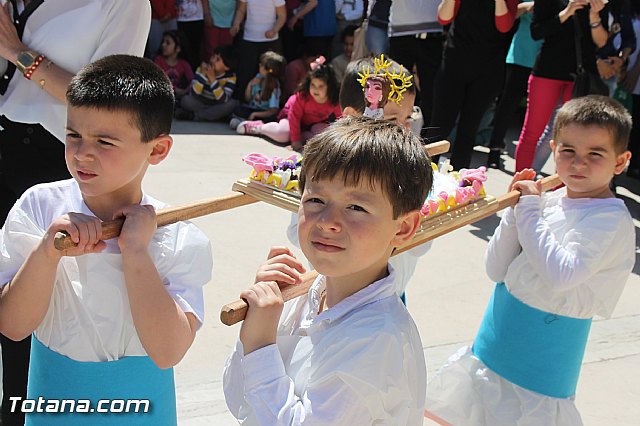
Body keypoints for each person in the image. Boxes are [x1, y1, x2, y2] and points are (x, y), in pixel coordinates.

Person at [0, 55, 212, 426]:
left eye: (105, 141)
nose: (83, 153)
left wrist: (136, 254)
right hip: (54, 400)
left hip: (142, 409)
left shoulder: (176, 235)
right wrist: (47, 253)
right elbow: (13, 326)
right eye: (74, 135)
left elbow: (168, 351)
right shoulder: (40, 208)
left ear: (157, 150)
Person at [425, 95, 635, 426]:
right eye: (568, 151)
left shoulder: (609, 219)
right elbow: (496, 269)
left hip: (541, 373)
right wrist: (514, 212)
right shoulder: (545, 203)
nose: (578, 163)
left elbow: (562, 274)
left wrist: (529, 212)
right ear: (553, 149)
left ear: (620, 162)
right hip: (492, 352)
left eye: (595, 154)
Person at [223, 115, 432, 424]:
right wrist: (257, 325)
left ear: (403, 228)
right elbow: (239, 401)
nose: (327, 221)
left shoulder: (376, 338)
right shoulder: (302, 297)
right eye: (316, 200)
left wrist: (259, 346)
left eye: (357, 207)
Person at [0, 2, 151, 424]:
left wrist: (19, 54)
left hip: (63, 157)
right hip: (4, 142)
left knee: (40, 315)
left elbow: (109, 101)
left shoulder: (125, 4)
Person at [514, 0, 608, 172]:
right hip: (547, 71)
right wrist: (568, 11)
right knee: (532, 132)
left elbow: (602, 42)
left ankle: (562, 191)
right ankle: (519, 188)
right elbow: (537, 32)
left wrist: (594, 16)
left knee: (569, 138)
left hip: (580, 76)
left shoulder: (596, 3)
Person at [427, 0, 518, 170]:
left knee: (468, 132)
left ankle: (459, 186)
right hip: (454, 64)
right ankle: (419, 178)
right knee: (438, 127)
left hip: (488, 70)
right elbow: (443, 18)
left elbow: (504, 26)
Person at [235, 57, 341, 151]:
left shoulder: (334, 100)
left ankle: (301, 136)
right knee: (283, 134)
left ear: (330, 87)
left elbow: (340, 119)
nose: (315, 89)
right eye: (313, 85)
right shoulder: (302, 96)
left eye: (321, 86)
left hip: (313, 125)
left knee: (325, 136)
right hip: (290, 119)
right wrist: (295, 141)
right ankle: (259, 128)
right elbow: (294, 116)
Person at [388, 0, 444, 134]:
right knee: (397, 90)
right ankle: (392, 136)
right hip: (400, 34)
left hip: (434, 34)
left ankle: (429, 138)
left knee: (432, 91)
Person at [230, 0, 287, 100]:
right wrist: (236, 24)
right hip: (249, 38)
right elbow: (241, 10)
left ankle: (271, 104)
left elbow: (282, 15)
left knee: (270, 74)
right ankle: (244, 102)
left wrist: (274, 30)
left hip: (270, 40)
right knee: (246, 73)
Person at [176, 45, 240, 121]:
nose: (212, 60)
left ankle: (195, 116)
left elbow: (223, 99)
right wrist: (203, 75)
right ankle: (214, 115)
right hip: (201, 101)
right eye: (213, 56)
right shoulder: (201, 69)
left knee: (232, 104)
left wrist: (212, 79)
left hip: (217, 103)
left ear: (227, 67)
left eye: (218, 60)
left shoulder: (231, 77)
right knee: (186, 100)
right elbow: (193, 93)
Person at [230, 51, 286, 129]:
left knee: (271, 118)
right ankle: (247, 123)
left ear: (267, 70)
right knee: (238, 109)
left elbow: (273, 110)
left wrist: (256, 114)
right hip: (253, 109)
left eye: (261, 65)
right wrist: (250, 85)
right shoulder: (258, 77)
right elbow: (247, 98)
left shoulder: (274, 87)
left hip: (264, 113)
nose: (259, 66)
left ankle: (250, 125)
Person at [154, 30, 195, 101]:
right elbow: (158, 80)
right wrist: (175, 89)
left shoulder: (184, 64)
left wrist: (185, 91)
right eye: (163, 42)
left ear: (178, 49)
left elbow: (193, 81)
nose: (163, 45)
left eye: (168, 43)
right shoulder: (158, 61)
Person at [176, 0, 207, 69]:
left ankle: (195, 72)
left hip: (197, 18)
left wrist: (207, 14)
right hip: (180, 18)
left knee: (196, 49)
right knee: (182, 49)